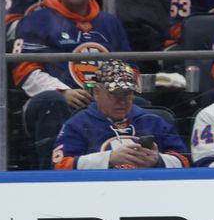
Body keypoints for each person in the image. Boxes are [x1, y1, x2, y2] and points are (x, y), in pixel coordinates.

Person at [11, 0, 134, 169]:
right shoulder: (37, 19)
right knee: (52, 102)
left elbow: (130, 67)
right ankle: (51, 173)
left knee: (138, 103)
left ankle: (133, 172)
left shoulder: (109, 22)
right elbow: (23, 69)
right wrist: (62, 91)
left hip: (106, 98)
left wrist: (108, 96)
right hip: (54, 100)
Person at [52, 59, 189, 169]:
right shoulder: (78, 124)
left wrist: (158, 160)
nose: (122, 101)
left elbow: (185, 161)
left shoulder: (154, 121)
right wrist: (109, 159)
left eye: (127, 94)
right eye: (115, 94)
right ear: (97, 92)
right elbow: (60, 166)